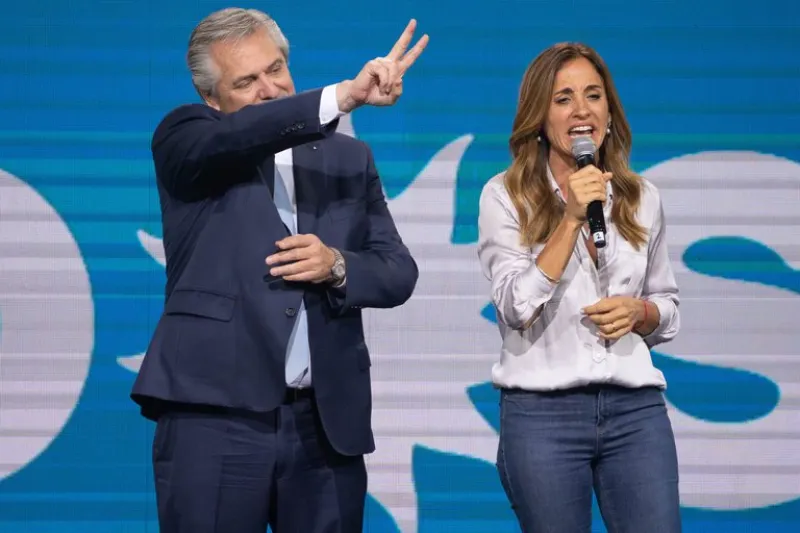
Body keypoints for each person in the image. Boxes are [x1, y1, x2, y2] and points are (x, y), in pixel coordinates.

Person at [130, 8, 426, 533]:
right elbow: (237, 135)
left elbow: (397, 271)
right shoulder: (187, 139)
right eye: (246, 81)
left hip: (324, 426)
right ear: (211, 98)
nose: (269, 89)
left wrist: (336, 266)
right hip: (214, 418)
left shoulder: (348, 157)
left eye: (275, 69)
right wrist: (344, 97)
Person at [477, 42, 682, 533]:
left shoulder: (641, 197)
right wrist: (569, 219)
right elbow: (513, 306)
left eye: (593, 95)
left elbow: (668, 307)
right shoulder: (504, 196)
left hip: (635, 412)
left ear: (610, 112)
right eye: (563, 98)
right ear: (540, 117)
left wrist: (641, 314)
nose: (582, 110)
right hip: (542, 415)